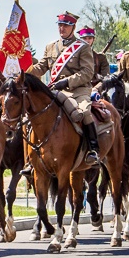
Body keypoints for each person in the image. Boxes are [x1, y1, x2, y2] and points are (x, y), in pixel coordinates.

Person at [27, 11, 100, 165]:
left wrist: (67, 82)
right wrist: (24, 68)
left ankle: (93, 149)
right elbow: (41, 68)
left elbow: (87, 73)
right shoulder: (50, 47)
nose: (62, 28)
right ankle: (32, 157)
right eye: (60, 25)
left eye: (66, 25)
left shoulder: (83, 47)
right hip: (55, 91)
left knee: (84, 112)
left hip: (77, 90)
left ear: (73, 27)